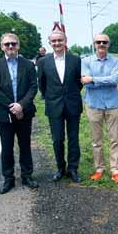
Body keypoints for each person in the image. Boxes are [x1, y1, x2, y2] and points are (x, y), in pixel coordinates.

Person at [0, 33, 39, 194]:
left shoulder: (28, 65)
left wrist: (21, 106)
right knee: (7, 146)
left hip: (25, 112)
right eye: (7, 44)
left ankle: (27, 176)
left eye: (13, 44)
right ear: (2, 46)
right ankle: (8, 179)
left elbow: (33, 87)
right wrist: (12, 107)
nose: (11, 47)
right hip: (4, 113)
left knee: (25, 145)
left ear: (18, 45)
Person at [37, 30, 83, 183]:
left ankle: (73, 168)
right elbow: (42, 84)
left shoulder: (76, 60)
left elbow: (78, 82)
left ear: (65, 41)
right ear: (49, 43)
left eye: (60, 40)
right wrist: (52, 97)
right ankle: (60, 168)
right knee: (57, 139)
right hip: (54, 105)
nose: (57, 43)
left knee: (73, 138)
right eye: (54, 41)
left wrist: (70, 94)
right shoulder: (43, 62)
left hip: (73, 104)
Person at [81, 34, 118, 183]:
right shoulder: (86, 61)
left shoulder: (116, 61)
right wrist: (101, 81)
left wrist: (93, 79)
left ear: (108, 44)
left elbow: (115, 80)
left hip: (112, 104)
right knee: (96, 140)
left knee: (114, 139)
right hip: (93, 104)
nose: (101, 44)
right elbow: (85, 83)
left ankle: (116, 170)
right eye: (98, 42)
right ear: (94, 44)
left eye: (104, 42)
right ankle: (99, 168)